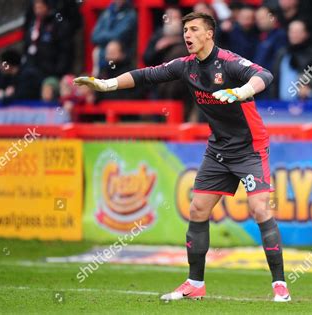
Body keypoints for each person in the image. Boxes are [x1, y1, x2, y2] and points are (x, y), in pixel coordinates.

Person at [74, 12, 291, 303]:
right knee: (198, 210)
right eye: (185, 29)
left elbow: (265, 74)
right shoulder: (184, 66)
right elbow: (145, 75)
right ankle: (195, 283)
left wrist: (242, 90)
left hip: (250, 146)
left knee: (260, 209)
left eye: (193, 29)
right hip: (218, 148)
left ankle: (280, 286)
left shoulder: (228, 62)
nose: (187, 35)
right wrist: (107, 84)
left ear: (209, 34)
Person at [271, 20, 312, 100]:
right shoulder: (282, 53)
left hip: (304, 104)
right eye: (292, 32)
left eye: (298, 32)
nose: (294, 35)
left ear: (306, 34)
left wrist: (310, 87)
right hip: (281, 105)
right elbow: (275, 79)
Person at [23, 0, 73, 77]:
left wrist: (59, 70)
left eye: (40, 7)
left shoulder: (57, 23)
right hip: (35, 69)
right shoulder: (33, 24)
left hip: (53, 70)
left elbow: (64, 48)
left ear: (47, 7)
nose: (38, 11)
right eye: (36, 8)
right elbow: (27, 45)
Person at [91, 0, 136, 75]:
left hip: (121, 63)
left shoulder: (130, 15)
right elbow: (94, 36)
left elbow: (118, 36)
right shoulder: (107, 13)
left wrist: (103, 35)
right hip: (101, 60)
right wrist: (109, 36)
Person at [253, 6, 287, 72]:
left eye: (262, 18)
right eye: (257, 19)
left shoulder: (280, 35)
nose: (259, 22)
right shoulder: (262, 36)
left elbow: (278, 62)